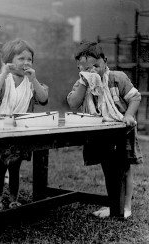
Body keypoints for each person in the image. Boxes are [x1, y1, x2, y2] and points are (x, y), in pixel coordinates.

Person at [67, 40, 143, 218]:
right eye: (86, 68)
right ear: (79, 69)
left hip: (122, 130)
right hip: (101, 134)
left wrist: (129, 115)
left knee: (124, 169)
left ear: (105, 61)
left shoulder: (118, 78)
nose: (92, 71)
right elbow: (73, 104)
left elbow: (135, 97)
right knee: (109, 170)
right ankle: (114, 205)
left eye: (96, 66)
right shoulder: (81, 84)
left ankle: (126, 208)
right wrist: (85, 83)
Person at [0, 38, 49, 212]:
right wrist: (4, 72)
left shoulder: (30, 82)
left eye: (29, 59)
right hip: (0, 129)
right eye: (21, 59)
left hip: (20, 131)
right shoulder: (3, 79)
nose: (26, 63)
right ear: (10, 61)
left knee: (15, 167)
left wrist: (35, 80)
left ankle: (14, 199)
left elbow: (43, 98)